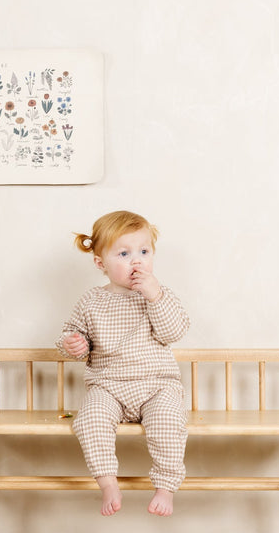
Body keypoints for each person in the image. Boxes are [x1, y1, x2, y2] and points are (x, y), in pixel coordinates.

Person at [56, 211, 190, 517]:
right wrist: (73, 343)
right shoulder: (91, 301)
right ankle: (108, 483)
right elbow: (73, 339)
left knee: (169, 424)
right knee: (89, 420)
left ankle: (166, 488)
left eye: (144, 252)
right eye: (124, 253)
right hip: (109, 386)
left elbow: (174, 332)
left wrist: (154, 296)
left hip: (157, 385)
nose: (137, 261)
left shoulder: (158, 295)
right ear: (101, 263)